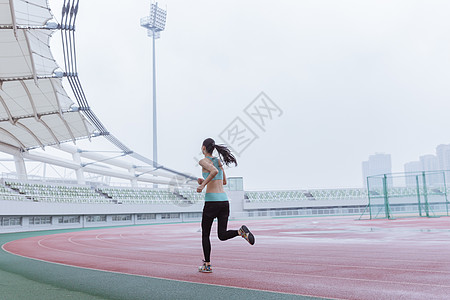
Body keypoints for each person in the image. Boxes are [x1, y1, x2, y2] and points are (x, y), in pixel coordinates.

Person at [196, 138, 255, 273]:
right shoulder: (218, 161)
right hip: (224, 202)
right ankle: (240, 232)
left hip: (211, 202)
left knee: (205, 234)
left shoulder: (203, 161)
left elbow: (214, 173)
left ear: (203, 147)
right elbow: (223, 182)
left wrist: (202, 185)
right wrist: (204, 180)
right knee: (222, 235)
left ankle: (207, 265)